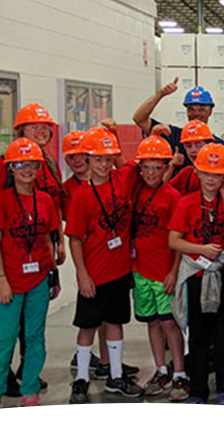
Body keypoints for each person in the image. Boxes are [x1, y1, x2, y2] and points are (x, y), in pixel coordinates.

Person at [0, 104, 66, 395]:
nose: (41, 131)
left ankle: (28, 371)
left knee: (34, 322)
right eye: (34, 126)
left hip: (42, 251)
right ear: (20, 131)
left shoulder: (48, 163)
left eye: (45, 127)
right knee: (9, 325)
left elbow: (53, 204)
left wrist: (57, 243)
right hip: (12, 253)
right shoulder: (2, 164)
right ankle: (2, 377)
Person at [65, 127, 145, 404]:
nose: (104, 164)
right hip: (95, 274)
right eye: (98, 159)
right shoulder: (82, 197)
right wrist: (82, 274)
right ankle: (82, 379)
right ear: (87, 160)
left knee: (116, 323)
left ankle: (115, 375)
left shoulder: (122, 179)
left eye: (108, 158)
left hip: (120, 271)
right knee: (87, 326)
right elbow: (75, 240)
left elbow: (141, 163)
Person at [167, 143, 224, 404]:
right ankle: (198, 388)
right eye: (207, 173)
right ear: (198, 173)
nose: (212, 179)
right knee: (199, 335)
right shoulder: (187, 203)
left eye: (218, 174)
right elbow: (174, 240)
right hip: (197, 276)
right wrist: (200, 248)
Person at [126, 136, 187, 400]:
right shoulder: (137, 191)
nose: (151, 173)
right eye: (146, 167)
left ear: (166, 168)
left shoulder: (173, 197)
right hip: (141, 271)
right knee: (151, 323)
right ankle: (160, 369)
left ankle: (179, 373)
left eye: (156, 167)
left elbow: (179, 240)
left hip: (164, 273)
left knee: (169, 323)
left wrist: (173, 271)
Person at [132, 80, 224, 158]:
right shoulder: (173, 136)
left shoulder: (220, 146)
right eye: (191, 109)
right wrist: (160, 94)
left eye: (201, 109)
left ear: (210, 112)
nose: (196, 114)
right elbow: (139, 119)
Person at [167, 120, 220, 196]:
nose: (193, 150)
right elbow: (162, 193)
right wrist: (171, 165)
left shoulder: (219, 175)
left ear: (209, 145)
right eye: (189, 146)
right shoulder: (186, 173)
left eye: (198, 145)